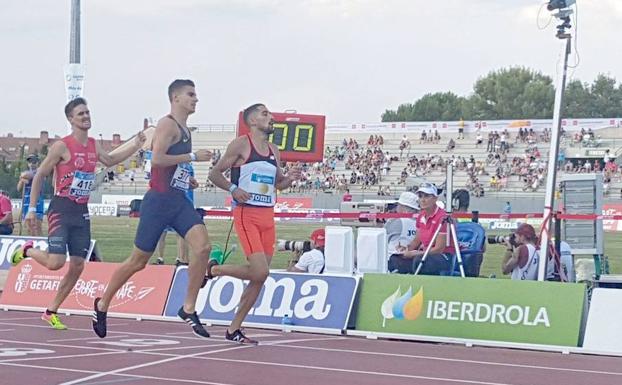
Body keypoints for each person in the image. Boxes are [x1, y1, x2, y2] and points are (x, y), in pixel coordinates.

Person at [10, 97, 146, 330]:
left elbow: (111, 159)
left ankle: (51, 310)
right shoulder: (62, 146)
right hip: (61, 208)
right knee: (55, 263)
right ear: (70, 119)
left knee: (77, 266)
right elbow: (40, 175)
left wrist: (136, 144)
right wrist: (32, 209)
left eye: (87, 112)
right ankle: (27, 250)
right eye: (80, 114)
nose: (86, 116)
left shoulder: (93, 145)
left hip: (81, 211)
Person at [92, 79, 213, 339]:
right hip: (158, 203)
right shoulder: (167, 124)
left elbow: (169, 166)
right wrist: (192, 158)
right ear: (176, 98)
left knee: (203, 247)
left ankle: (188, 307)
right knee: (138, 262)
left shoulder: (186, 130)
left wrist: (185, 175)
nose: (196, 99)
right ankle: (102, 304)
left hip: (178, 200)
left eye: (196, 94)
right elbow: (157, 159)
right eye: (191, 94)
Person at [207, 103, 302, 344]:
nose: (271, 117)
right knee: (260, 271)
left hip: (267, 217)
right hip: (246, 214)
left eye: (270, 114)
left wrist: (289, 179)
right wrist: (233, 189)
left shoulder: (274, 150)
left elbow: (277, 185)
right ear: (252, 121)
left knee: (259, 278)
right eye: (265, 114)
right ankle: (213, 270)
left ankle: (233, 329)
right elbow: (215, 174)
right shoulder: (241, 144)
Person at [398, 183, 452, 275]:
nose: (423, 200)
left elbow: (439, 249)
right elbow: (416, 241)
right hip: (425, 254)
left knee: (420, 261)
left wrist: (415, 253)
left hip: (443, 256)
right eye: (420, 196)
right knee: (396, 259)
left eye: (427, 196)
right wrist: (406, 249)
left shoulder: (442, 217)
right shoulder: (421, 216)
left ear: (435, 198)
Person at [387, 192, 419, 274]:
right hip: (410, 262)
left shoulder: (397, 221)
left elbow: (383, 238)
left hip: (392, 260)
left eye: (399, 206)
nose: (397, 208)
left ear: (404, 208)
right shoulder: (421, 223)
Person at [17, 154, 45, 236]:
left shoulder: (40, 171)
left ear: (37, 163)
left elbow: (27, 175)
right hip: (26, 203)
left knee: (37, 226)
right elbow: (19, 188)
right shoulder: (25, 173)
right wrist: (22, 180)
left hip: (37, 203)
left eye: (34, 161)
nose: (31, 163)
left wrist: (22, 176)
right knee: (29, 228)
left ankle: (39, 243)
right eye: (29, 162)